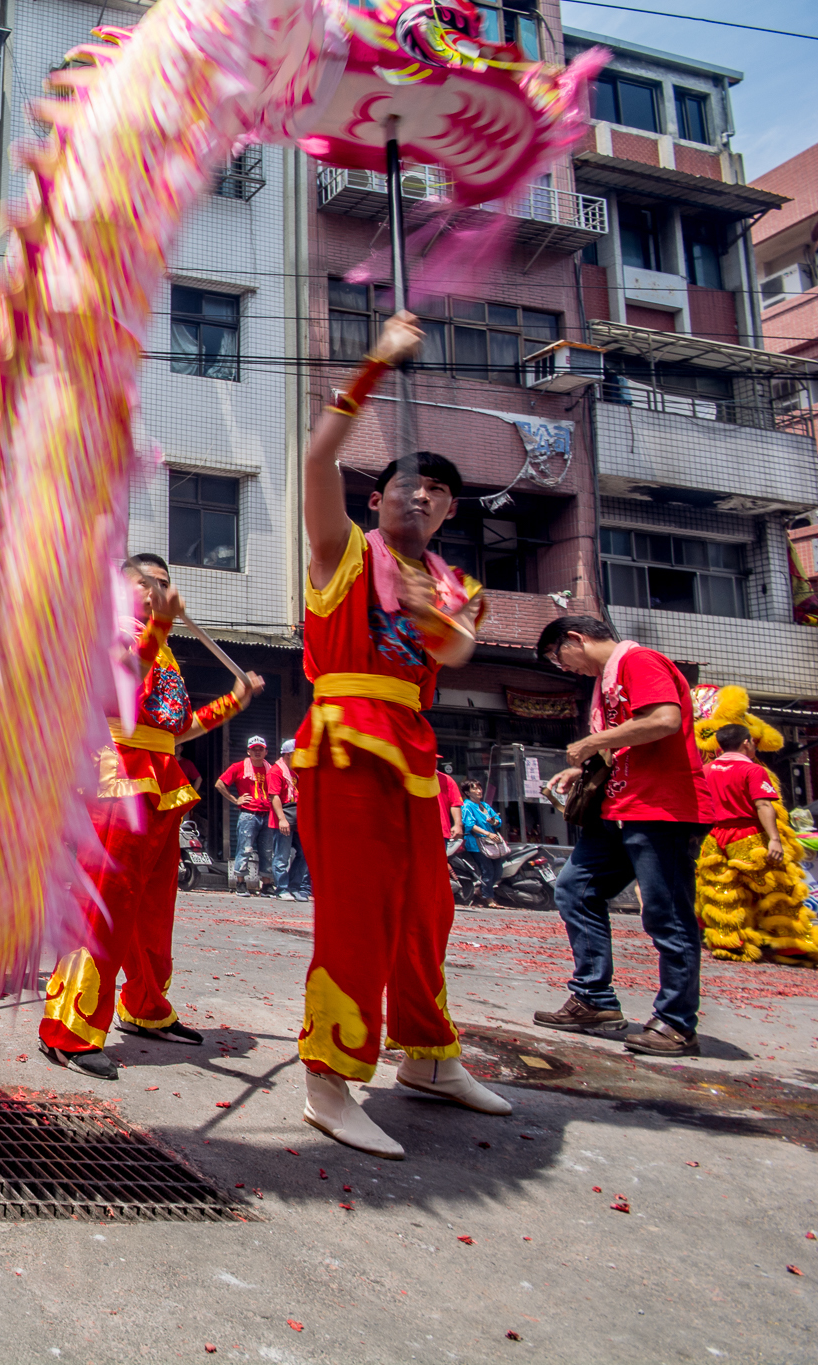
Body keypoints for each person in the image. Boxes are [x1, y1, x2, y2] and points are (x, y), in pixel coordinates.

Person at [290, 311, 511, 1160]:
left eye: (436, 490)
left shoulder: (458, 585)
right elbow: (317, 459)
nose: (418, 495)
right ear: (374, 499)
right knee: (357, 911)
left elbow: (456, 650)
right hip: (344, 742)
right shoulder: (343, 549)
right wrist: (376, 363)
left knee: (428, 908)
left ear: (449, 509)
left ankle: (428, 1055)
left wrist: (430, 610)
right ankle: (328, 1078)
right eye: (402, 486)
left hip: (415, 753)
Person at [40, 554, 257, 1078]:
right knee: (105, 903)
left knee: (154, 910)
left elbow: (174, 730)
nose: (160, 590)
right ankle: (68, 1028)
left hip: (161, 782)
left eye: (165, 583)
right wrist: (160, 624)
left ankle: (145, 1006)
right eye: (149, 583)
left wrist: (232, 702)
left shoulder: (164, 649)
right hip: (116, 779)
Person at [534, 615, 708, 1056]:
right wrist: (584, 769)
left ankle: (676, 1023)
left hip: (661, 808)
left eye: (558, 656)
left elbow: (664, 719)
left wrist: (593, 742)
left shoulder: (638, 661)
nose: (564, 667)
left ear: (575, 639)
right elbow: (630, 744)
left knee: (667, 914)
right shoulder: (607, 682)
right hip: (619, 808)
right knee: (574, 889)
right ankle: (593, 999)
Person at [694, 722, 812, 963]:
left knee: (722, 890)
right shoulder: (753, 770)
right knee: (777, 887)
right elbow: (763, 805)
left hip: (714, 837)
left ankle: (728, 941)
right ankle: (789, 943)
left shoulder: (705, 770)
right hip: (748, 835)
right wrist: (775, 839)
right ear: (746, 742)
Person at [217, 738, 290, 895]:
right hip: (248, 814)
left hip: (267, 814)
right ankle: (240, 883)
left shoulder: (271, 769)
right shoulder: (239, 767)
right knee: (244, 849)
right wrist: (235, 800)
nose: (257, 752)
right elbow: (220, 783)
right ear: (248, 751)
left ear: (266, 752)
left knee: (267, 851)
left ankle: (267, 885)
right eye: (254, 749)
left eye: (260, 749)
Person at [271, 739, 311, 900]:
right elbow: (274, 796)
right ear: (288, 755)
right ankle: (281, 889)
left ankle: (294, 886)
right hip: (283, 820)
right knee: (282, 856)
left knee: (304, 853)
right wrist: (282, 819)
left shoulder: (295, 772)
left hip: (296, 820)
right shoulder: (276, 771)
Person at [460, 779, 505, 906]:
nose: (479, 791)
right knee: (488, 870)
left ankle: (481, 890)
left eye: (479, 788)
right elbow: (470, 825)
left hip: (491, 843)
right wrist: (488, 833)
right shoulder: (467, 806)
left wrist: (494, 822)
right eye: (474, 789)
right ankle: (488, 897)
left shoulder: (485, 806)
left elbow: (498, 821)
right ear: (467, 793)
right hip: (477, 843)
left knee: (498, 870)